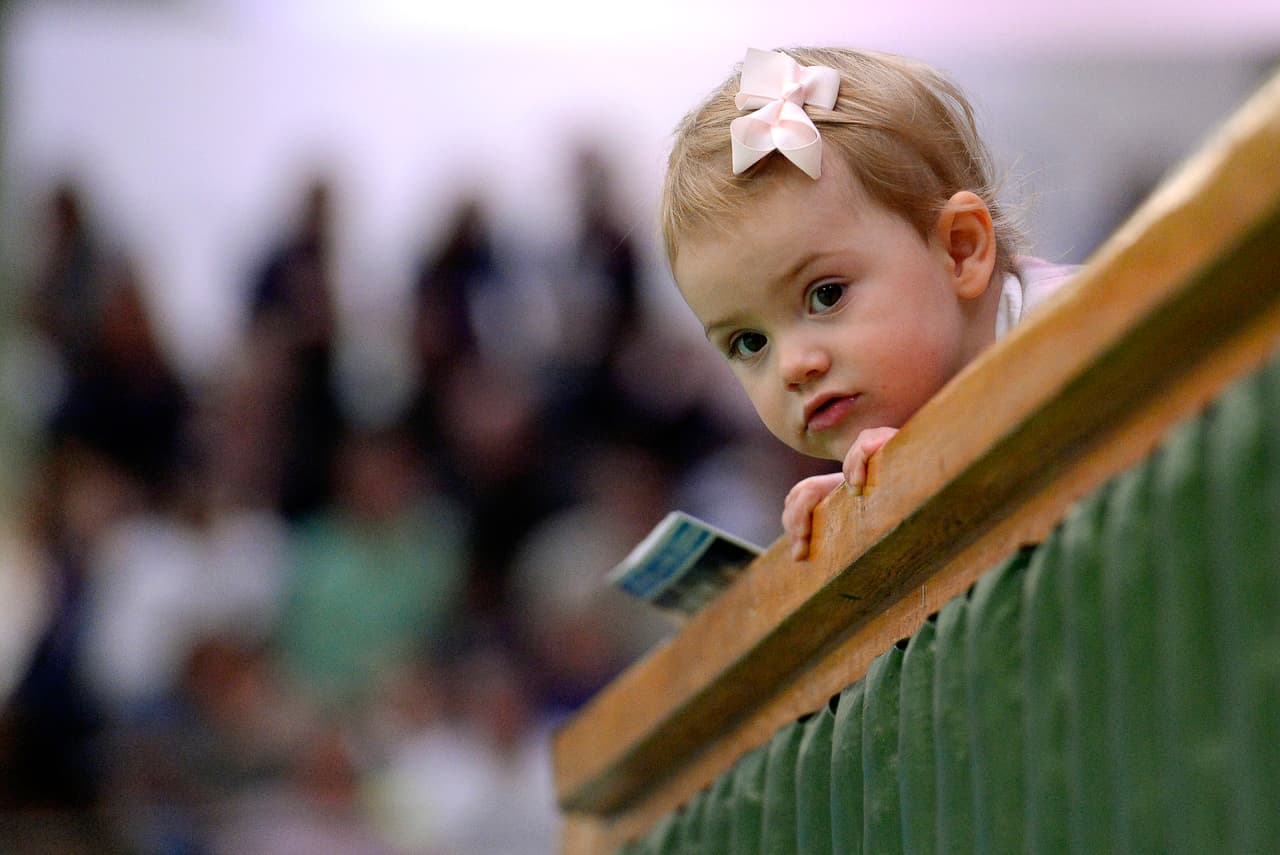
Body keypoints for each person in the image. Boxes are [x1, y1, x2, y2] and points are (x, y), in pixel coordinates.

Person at [661, 47, 1077, 560]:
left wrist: (934, 463)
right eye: (750, 342)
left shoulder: (1085, 327)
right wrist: (860, 507)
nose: (793, 366)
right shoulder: (918, 391)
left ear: (960, 250)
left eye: (826, 294)